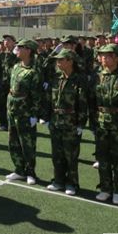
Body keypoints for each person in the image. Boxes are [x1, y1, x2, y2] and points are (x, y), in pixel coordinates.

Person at [91, 43, 118, 205]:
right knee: (103, 158)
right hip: (102, 123)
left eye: (107, 55)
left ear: (117, 58)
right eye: (101, 55)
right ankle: (105, 188)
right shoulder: (97, 76)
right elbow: (92, 101)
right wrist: (93, 123)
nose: (103, 58)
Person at [46, 48, 88, 195]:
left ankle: (72, 184)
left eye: (61, 59)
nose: (58, 62)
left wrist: (81, 124)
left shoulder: (79, 79)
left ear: (70, 61)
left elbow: (83, 103)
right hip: (56, 121)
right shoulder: (56, 78)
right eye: (57, 60)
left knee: (70, 155)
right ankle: (58, 181)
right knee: (57, 154)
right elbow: (51, 101)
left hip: (71, 122)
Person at [5, 39, 42, 185]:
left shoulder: (34, 71)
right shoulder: (16, 67)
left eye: (20, 47)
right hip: (12, 109)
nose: (17, 50)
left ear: (28, 51)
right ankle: (19, 169)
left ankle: (30, 172)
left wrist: (34, 114)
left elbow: (37, 95)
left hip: (25, 112)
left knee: (27, 143)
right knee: (13, 142)